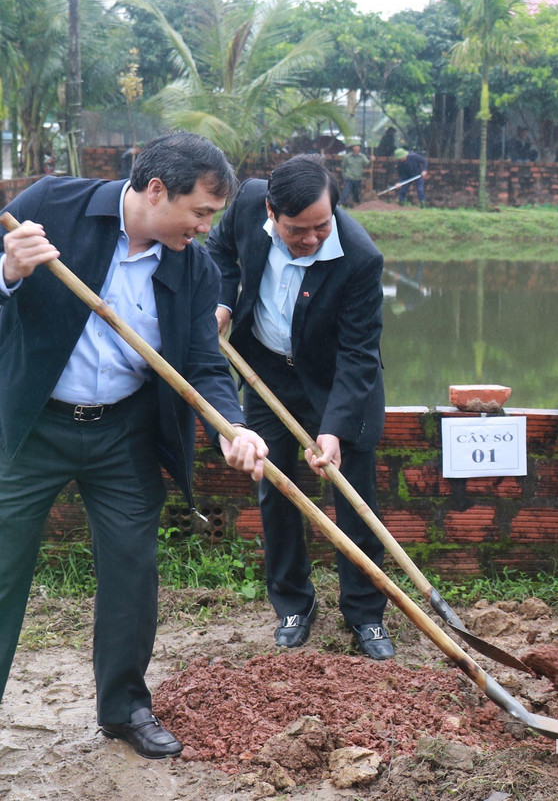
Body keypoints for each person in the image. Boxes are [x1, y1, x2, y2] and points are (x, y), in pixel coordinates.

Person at [0, 131, 268, 759]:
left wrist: (234, 426)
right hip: (32, 426)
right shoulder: (50, 206)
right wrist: (7, 271)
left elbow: (203, 363)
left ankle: (123, 709)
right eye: (199, 212)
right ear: (155, 191)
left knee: (132, 571)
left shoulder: (193, 266)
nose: (204, 229)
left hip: (122, 432)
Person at [207, 155, 394, 660]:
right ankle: (292, 605)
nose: (311, 239)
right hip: (265, 370)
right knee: (275, 486)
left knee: (353, 493)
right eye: (297, 230)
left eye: (321, 226)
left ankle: (365, 614)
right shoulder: (246, 203)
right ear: (271, 211)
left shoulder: (359, 257)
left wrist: (333, 429)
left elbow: (359, 354)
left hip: (336, 382)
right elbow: (219, 250)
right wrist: (223, 302)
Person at [340, 141, 370, 208]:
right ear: (352, 148)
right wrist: (344, 176)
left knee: (356, 192)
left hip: (358, 177)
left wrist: (372, 159)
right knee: (346, 191)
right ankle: (342, 204)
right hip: (349, 177)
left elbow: (367, 164)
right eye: (355, 146)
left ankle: (356, 204)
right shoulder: (347, 157)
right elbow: (343, 167)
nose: (357, 148)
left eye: (358, 146)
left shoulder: (362, 157)